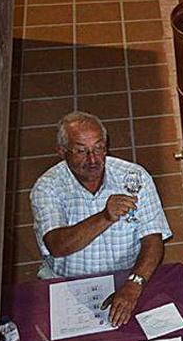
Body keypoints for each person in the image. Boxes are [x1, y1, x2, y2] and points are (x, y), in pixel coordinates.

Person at [31, 111, 172, 326]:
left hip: (129, 276)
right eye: (81, 151)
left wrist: (134, 283)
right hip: (71, 283)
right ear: (62, 152)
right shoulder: (47, 187)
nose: (93, 159)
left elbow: (153, 239)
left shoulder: (134, 177)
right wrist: (105, 217)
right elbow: (57, 245)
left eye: (99, 148)